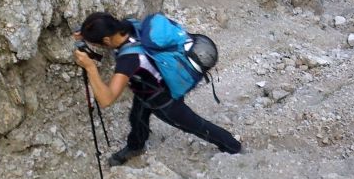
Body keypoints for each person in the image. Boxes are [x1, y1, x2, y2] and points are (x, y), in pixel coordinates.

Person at [73, 12, 242, 165]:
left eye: (98, 44)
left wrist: (90, 67)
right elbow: (102, 26)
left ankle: (232, 146)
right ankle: (135, 146)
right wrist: (86, 34)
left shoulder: (129, 59)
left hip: (164, 101)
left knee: (195, 125)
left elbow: (106, 99)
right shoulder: (129, 25)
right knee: (137, 118)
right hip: (147, 88)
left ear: (107, 41)